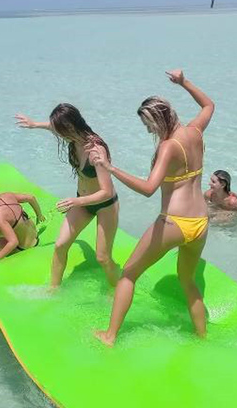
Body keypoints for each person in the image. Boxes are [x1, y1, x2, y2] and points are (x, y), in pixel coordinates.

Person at [91, 70, 214, 347]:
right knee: (188, 280)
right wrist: (184, 82)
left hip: (175, 222)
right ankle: (203, 338)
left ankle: (109, 336)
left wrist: (109, 168)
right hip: (201, 223)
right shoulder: (195, 132)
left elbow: (149, 188)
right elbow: (209, 105)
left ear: (157, 120)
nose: (149, 131)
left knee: (129, 275)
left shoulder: (169, 147)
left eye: (149, 126)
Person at [15, 104, 120, 288]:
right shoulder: (74, 138)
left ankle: (115, 290)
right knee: (60, 245)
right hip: (82, 200)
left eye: (61, 130)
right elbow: (52, 126)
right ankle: (53, 290)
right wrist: (34, 124)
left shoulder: (96, 150)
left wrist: (75, 201)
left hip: (105, 205)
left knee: (102, 257)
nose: (58, 134)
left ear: (71, 127)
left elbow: (106, 192)